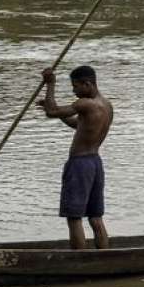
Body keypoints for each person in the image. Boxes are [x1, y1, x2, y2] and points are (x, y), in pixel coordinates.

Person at [37, 65, 113, 249]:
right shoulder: (106, 105)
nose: (74, 91)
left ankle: (80, 260)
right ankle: (104, 257)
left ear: (88, 83)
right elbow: (77, 125)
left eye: (76, 86)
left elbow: (52, 111)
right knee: (95, 216)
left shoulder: (84, 104)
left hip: (80, 164)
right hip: (95, 163)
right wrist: (52, 108)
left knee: (74, 217)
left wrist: (50, 84)